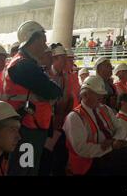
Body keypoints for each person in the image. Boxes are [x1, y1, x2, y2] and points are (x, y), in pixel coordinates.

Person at [0, 20, 63, 176]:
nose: (45, 44)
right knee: (23, 170)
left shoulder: (28, 64)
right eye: (43, 39)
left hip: (31, 126)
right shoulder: (23, 66)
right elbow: (52, 91)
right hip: (26, 128)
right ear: (33, 39)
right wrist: (52, 89)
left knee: (28, 169)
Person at [63, 76, 127, 176]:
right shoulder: (74, 117)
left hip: (109, 153)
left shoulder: (105, 109)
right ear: (85, 95)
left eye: (102, 95)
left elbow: (120, 129)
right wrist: (111, 146)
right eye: (98, 94)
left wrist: (114, 141)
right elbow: (82, 149)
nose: (101, 98)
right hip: (90, 163)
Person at [40, 44, 75, 176]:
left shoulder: (65, 76)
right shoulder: (45, 75)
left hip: (60, 121)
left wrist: (63, 115)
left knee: (60, 152)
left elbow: (68, 98)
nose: (66, 62)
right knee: (47, 153)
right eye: (63, 59)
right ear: (54, 59)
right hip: (48, 121)